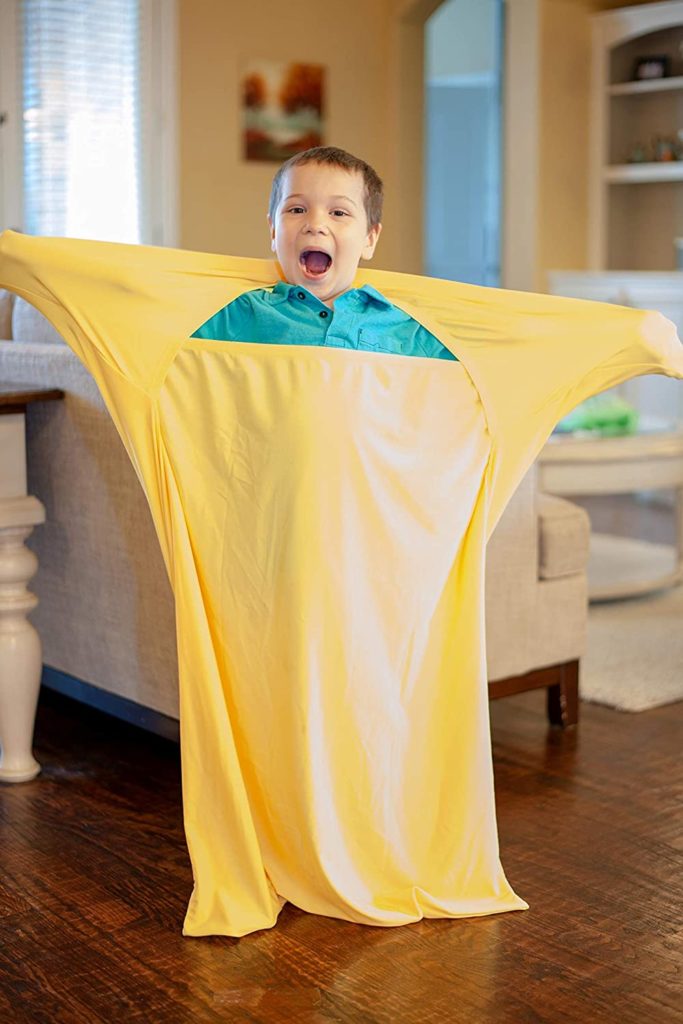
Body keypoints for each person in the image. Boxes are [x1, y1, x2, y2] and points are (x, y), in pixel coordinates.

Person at [192, 146, 458, 362]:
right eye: (296, 210)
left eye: (338, 213)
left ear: (369, 238)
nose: (316, 225)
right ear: (273, 232)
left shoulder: (405, 330)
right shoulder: (240, 315)